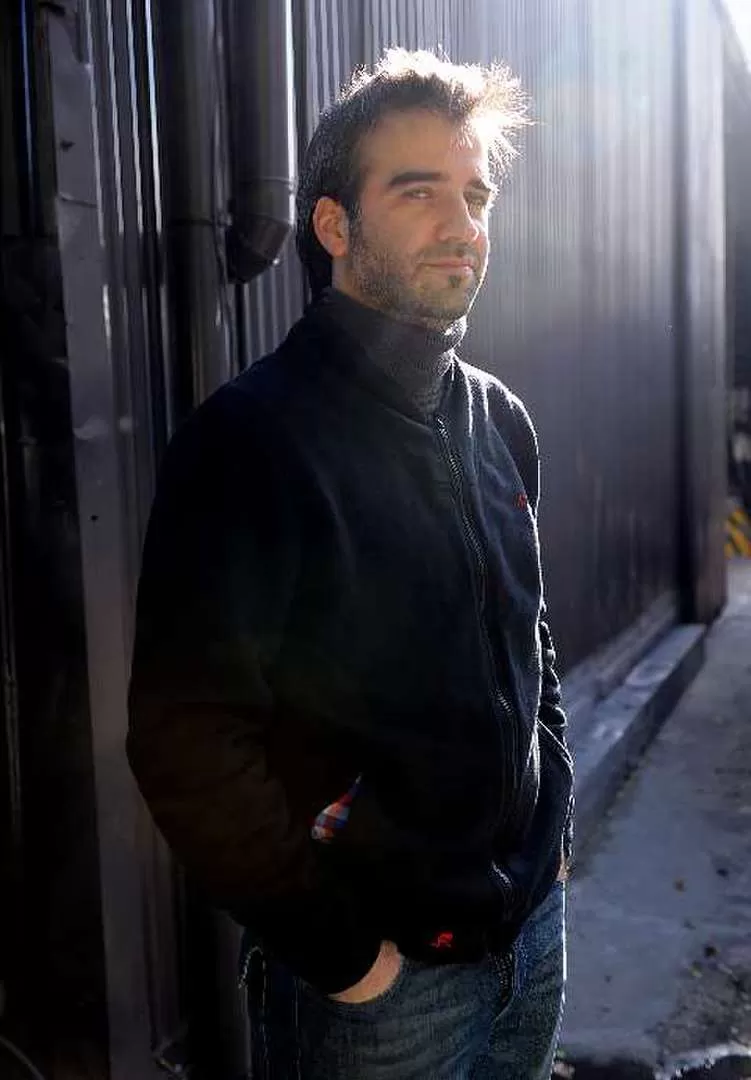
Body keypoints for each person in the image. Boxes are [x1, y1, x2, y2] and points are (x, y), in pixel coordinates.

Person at [127, 48, 574, 1080]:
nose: (461, 225)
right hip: (384, 992)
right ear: (334, 226)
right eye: (419, 193)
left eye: (474, 195)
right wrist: (345, 960)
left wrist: (547, 841)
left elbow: (530, 643)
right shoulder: (251, 441)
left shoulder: (500, 419)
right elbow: (185, 740)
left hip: (530, 937)